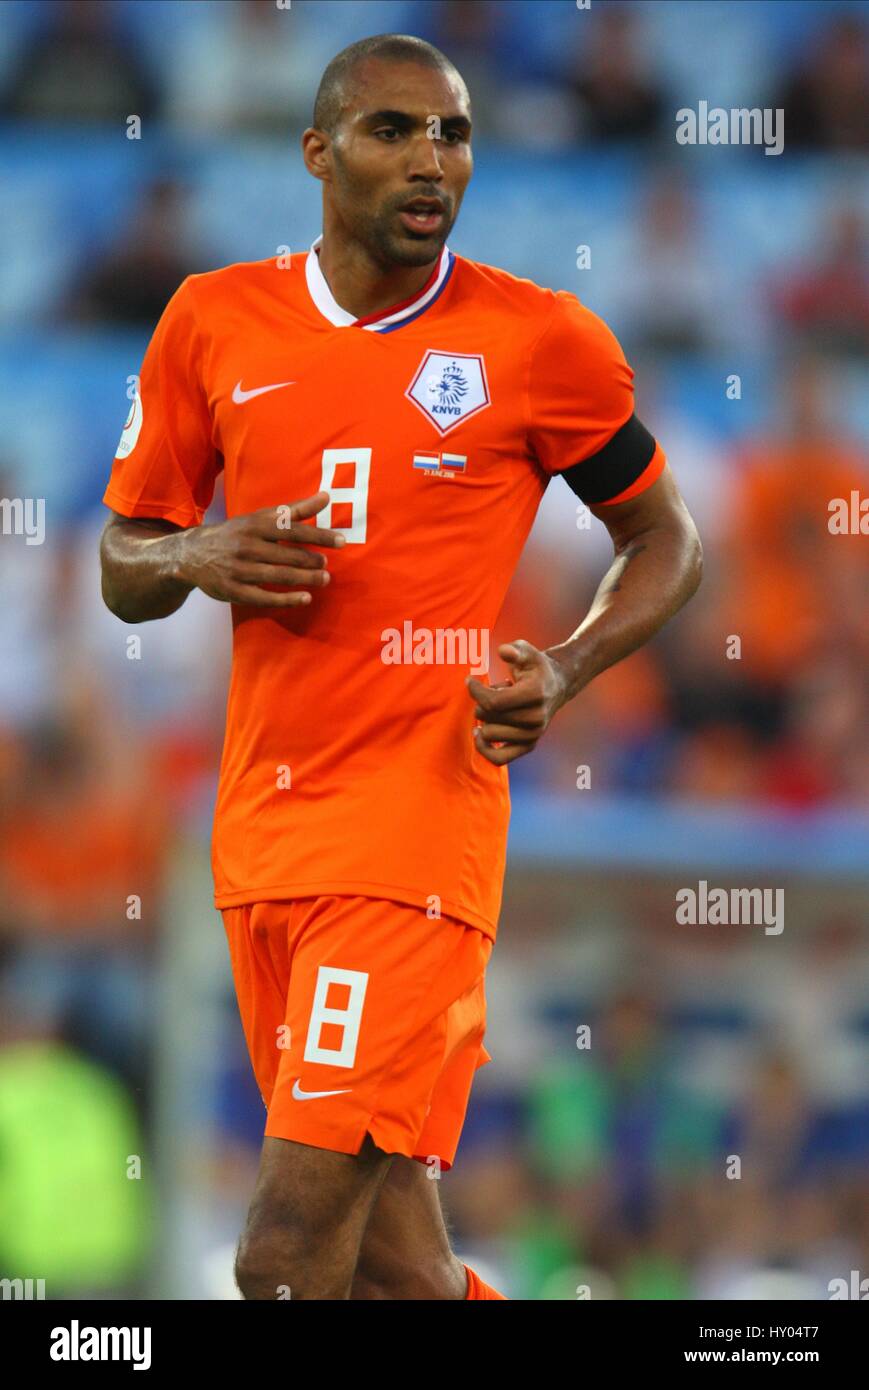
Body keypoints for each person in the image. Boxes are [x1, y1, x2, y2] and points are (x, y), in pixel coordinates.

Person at [99, 33, 701, 1301]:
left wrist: (572, 664)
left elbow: (664, 540)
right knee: (392, 1265)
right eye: (392, 131)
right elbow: (122, 563)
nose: (431, 160)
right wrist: (201, 551)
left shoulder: (538, 342)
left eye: (454, 133)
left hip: (414, 844)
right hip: (262, 839)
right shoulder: (211, 321)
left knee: (278, 1253)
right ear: (318, 152)